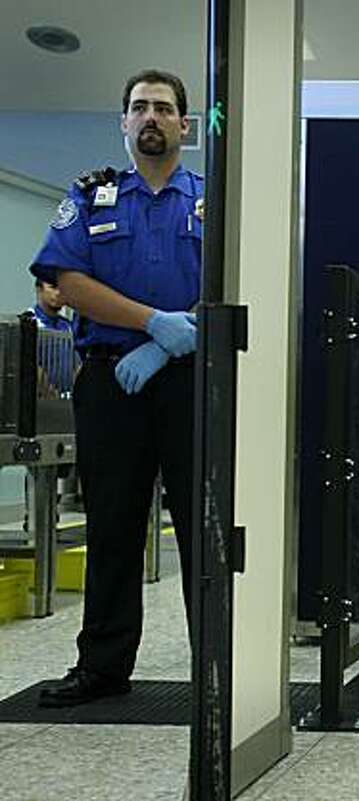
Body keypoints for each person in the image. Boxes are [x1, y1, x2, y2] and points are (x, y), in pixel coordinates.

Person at [30, 69, 203, 707]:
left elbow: (238, 283)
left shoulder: (213, 200)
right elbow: (66, 281)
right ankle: (102, 668)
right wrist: (152, 325)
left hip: (191, 380)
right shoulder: (93, 200)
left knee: (202, 526)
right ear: (124, 123)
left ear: (185, 125)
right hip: (111, 383)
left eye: (163, 107)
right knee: (112, 526)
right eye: (139, 108)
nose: (151, 116)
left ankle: (217, 664)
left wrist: (167, 345)